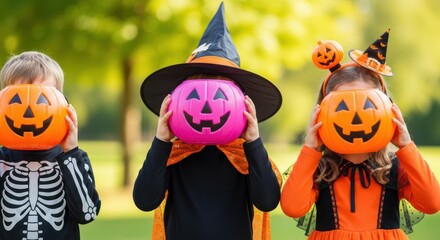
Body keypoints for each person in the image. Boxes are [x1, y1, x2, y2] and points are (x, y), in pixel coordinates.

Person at [133, 3, 283, 240]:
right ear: (178, 100)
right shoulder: (174, 154)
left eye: (220, 94)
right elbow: (144, 199)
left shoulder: (244, 157)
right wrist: (161, 140)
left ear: (240, 103)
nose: (206, 105)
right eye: (195, 93)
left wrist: (253, 141)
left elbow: (267, 201)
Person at [280, 29, 440, 240]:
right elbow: (292, 207)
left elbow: (432, 203)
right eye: (342, 108)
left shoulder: (394, 167)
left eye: (368, 106)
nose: (356, 119)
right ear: (323, 112)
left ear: (386, 110)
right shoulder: (320, 167)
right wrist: (311, 149)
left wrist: (406, 146)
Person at [0, 51, 101, 239]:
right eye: (16, 98)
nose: (29, 111)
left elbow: (88, 213)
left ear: (62, 103)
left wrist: (70, 152)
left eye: (41, 98)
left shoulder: (74, 159)